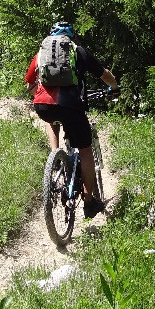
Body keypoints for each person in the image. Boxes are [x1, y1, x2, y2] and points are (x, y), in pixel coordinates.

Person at [25, 22, 118, 218]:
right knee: (85, 150)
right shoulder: (79, 52)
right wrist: (114, 87)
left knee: (51, 118)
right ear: (72, 37)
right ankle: (89, 201)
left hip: (43, 106)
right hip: (71, 106)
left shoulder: (42, 53)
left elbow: (29, 82)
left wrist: (40, 95)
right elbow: (104, 74)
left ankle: (56, 156)